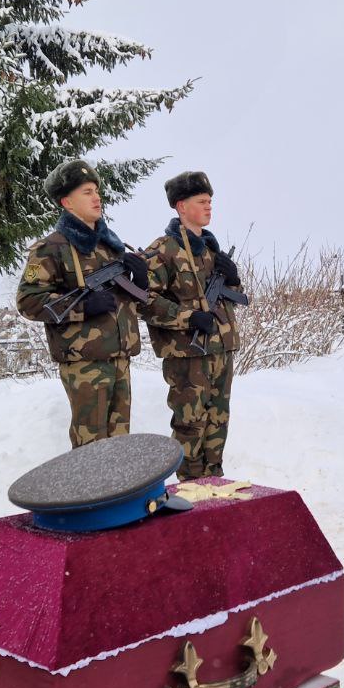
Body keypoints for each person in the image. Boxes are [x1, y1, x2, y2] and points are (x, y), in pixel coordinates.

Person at [16, 159, 150, 447]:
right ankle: (91, 493)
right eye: (87, 192)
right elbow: (28, 301)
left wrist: (140, 282)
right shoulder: (52, 248)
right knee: (91, 449)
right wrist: (82, 307)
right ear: (67, 202)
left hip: (120, 358)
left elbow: (125, 302)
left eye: (97, 190)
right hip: (85, 362)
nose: (97, 197)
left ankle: (119, 493)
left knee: (120, 444)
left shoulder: (111, 247)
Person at [141, 171, 243, 480]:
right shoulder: (162, 251)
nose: (209, 207)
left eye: (210, 201)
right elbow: (143, 300)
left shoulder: (212, 251)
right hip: (188, 355)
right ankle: (190, 489)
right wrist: (187, 317)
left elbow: (230, 299)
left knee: (218, 420)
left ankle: (214, 485)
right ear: (181, 206)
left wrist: (234, 279)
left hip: (221, 350)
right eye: (202, 201)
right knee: (190, 423)